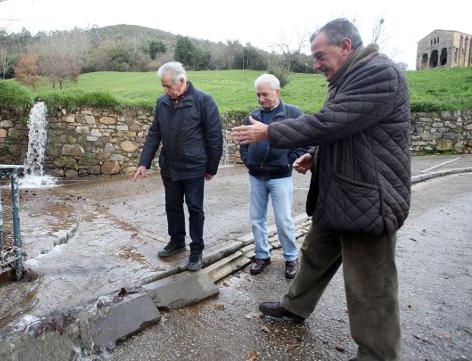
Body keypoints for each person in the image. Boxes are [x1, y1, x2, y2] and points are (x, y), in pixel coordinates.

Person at [231, 18, 411, 361]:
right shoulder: (348, 77)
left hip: (368, 197)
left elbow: (332, 122)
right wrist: (315, 155)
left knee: (370, 284)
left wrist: (270, 133)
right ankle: (294, 307)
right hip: (341, 192)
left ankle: (378, 353)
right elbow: (346, 130)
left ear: (345, 46)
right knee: (314, 254)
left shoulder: (379, 73)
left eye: (319, 55)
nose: (315, 64)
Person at [133, 61, 223, 272]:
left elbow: (214, 137)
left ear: (181, 81)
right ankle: (176, 241)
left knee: (194, 207)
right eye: (163, 86)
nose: (165, 90)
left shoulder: (203, 101)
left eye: (168, 86)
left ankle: (196, 250)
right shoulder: (162, 102)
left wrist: (211, 168)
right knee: (172, 206)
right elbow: (154, 133)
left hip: (194, 166)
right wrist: (144, 162)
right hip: (169, 166)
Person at [240, 74, 308, 278]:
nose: (260, 99)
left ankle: (290, 257)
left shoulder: (293, 114)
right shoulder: (253, 116)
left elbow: (307, 141)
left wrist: (288, 162)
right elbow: (243, 143)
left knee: (283, 220)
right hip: (256, 176)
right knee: (256, 219)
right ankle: (262, 255)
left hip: (280, 177)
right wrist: (248, 160)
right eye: (258, 95)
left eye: (265, 94)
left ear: (277, 92)